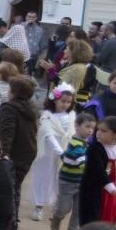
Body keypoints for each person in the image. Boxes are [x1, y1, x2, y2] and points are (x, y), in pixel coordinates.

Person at [0, 76, 39, 230]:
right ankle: (10, 228)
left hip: (13, 156)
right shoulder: (30, 107)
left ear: (13, 92)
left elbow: (6, 132)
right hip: (27, 154)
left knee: (9, 192)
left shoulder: (9, 108)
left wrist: (2, 154)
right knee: (14, 189)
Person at [30, 83, 76, 222]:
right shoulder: (47, 116)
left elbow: (72, 134)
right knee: (43, 177)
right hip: (48, 152)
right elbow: (48, 135)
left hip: (66, 151)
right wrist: (60, 151)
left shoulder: (72, 116)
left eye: (68, 102)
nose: (65, 104)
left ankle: (56, 202)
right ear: (54, 100)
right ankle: (39, 205)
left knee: (59, 177)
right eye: (63, 101)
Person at [51, 113, 96, 230]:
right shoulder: (74, 142)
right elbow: (78, 158)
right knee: (64, 208)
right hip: (68, 181)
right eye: (87, 127)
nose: (90, 130)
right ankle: (57, 216)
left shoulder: (88, 143)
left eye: (92, 128)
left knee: (78, 211)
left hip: (82, 182)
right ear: (77, 126)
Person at [79, 116, 116, 226]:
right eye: (98, 130)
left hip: (110, 188)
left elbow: (113, 169)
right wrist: (113, 191)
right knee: (91, 220)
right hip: (93, 189)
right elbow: (99, 172)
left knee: (107, 220)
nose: (98, 133)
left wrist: (114, 188)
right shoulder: (94, 148)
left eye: (104, 131)